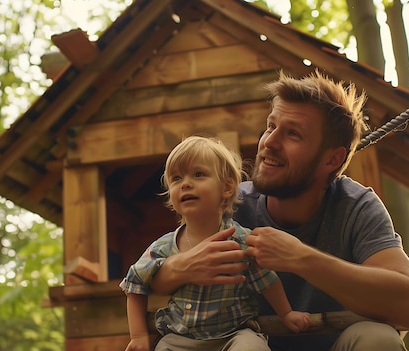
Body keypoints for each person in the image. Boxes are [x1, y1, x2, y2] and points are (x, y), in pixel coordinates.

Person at [149, 71, 409, 351]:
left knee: (377, 339)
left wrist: (301, 258)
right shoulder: (230, 206)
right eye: (271, 127)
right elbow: (151, 277)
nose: (269, 142)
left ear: (332, 159)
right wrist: (178, 268)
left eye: (292, 134)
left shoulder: (355, 206)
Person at [119, 135, 311, 351]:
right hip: (181, 338)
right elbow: (134, 284)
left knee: (252, 347)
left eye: (198, 174)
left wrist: (286, 313)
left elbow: (267, 280)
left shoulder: (241, 240)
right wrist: (138, 335)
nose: (186, 184)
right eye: (176, 179)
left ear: (227, 188)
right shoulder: (163, 247)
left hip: (233, 334)